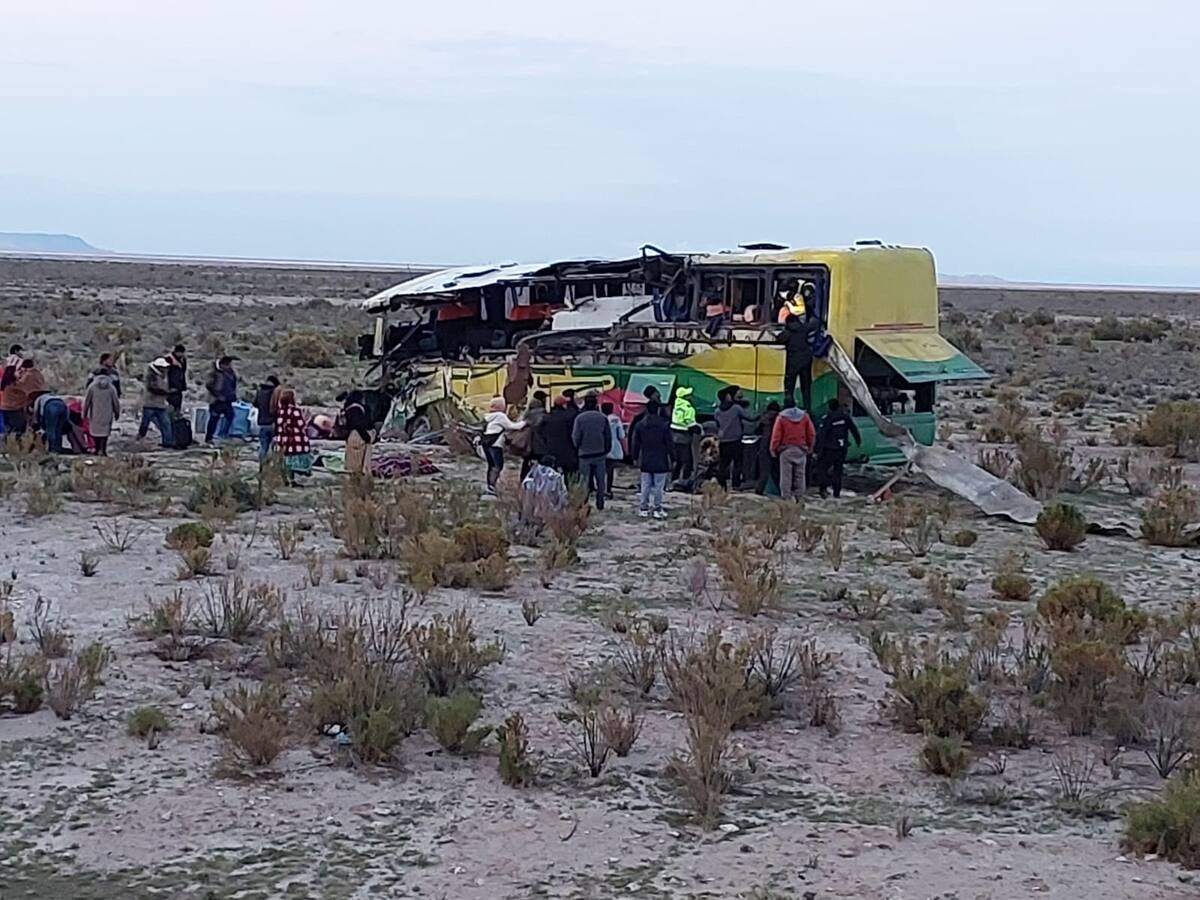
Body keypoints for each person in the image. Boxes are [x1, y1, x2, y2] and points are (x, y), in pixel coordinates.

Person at [629, 398, 672, 518]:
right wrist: (673, 457)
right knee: (659, 486)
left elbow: (636, 443)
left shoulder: (640, 425)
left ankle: (643, 508)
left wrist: (635, 457)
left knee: (645, 485)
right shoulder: (664, 425)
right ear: (658, 409)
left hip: (646, 458)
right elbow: (669, 443)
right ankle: (657, 508)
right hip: (660, 458)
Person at [571, 392, 612, 509]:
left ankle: (584, 504)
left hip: (584, 454)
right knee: (600, 481)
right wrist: (606, 450)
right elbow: (608, 436)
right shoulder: (603, 418)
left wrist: (578, 448)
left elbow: (575, 437)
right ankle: (600, 503)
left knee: (584, 481)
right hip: (600, 454)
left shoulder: (579, 418)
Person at [814, 398, 862, 499]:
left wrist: (817, 449)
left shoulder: (827, 418)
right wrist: (858, 441)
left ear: (829, 407)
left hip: (829, 449)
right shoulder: (844, 417)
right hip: (842, 449)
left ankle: (823, 489)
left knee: (821, 469)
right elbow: (854, 429)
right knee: (838, 471)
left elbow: (821, 434)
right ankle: (837, 493)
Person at [770, 399, 816, 501]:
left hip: (786, 450)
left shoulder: (781, 417)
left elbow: (776, 435)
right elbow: (811, 434)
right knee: (800, 475)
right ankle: (799, 497)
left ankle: (786, 498)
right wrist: (811, 447)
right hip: (801, 450)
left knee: (786, 476)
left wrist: (773, 449)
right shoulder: (804, 416)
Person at [714, 388, 757, 490]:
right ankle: (735, 484)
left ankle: (722, 484)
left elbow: (718, 425)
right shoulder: (736, 408)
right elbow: (750, 418)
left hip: (723, 441)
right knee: (737, 464)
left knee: (724, 464)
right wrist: (762, 415)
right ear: (728, 396)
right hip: (735, 441)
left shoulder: (717, 411)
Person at [482, 396, 527, 494]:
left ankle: (489, 485)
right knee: (498, 466)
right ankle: (491, 487)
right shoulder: (500, 416)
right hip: (496, 444)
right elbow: (512, 426)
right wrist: (526, 422)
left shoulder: (489, 417)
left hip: (487, 444)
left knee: (491, 465)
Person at [778, 311, 820, 411]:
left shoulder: (787, 332)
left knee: (789, 386)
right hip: (806, 361)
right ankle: (807, 408)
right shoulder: (803, 328)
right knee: (805, 387)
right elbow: (815, 324)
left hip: (793, 363)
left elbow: (778, 339)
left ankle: (788, 407)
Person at [272, 389, 314, 484]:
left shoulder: (281, 411)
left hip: (284, 438)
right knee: (296, 458)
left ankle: (288, 479)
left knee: (287, 459)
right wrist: (306, 419)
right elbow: (301, 425)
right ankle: (295, 479)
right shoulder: (295, 411)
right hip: (296, 439)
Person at [137, 357, 173, 447]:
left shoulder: (163, 376)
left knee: (166, 424)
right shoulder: (151, 376)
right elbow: (152, 388)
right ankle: (139, 440)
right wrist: (166, 392)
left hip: (160, 404)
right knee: (145, 424)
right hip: (150, 404)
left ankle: (167, 443)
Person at [83, 372, 120, 456]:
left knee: (95, 433)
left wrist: (84, 414)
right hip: (107, 414)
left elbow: (87, 402)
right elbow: (116, 402)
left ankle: (96, 449)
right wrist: (117, 413)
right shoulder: (111, 388)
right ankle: (103, 450)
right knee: (104, 434)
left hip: (95, 414)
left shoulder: (92, 387)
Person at [204, 356, 238, 444]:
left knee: (230, 417)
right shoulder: (215, 373)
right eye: (227, 364)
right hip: (217, 401)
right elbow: (209, 385)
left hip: (228, 400)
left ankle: (223, 435)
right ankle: (209, 438)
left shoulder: (231, 374)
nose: (229, 366)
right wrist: (217, 395)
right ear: (222, 365)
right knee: (213, 419)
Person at [543, 395, 579, 477]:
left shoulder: (547, 418)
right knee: (569, 474)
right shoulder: (568, 417)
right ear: (563, 405)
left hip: (551, 451)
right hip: (567, 451)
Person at [342, 390, 375, 477]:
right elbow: (357, 424)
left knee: (352, 464)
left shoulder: (348, 407)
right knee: (357, 466)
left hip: (352, 436)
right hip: (358, 436)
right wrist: (367, 437)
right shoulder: (357, 409)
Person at [669, 386, 699, 481]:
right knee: (687, 461)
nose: (691, 396)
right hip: (684, 436)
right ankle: (686, 480)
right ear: (685, 397)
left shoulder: (677, 406)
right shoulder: (688, 408)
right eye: (688, 395)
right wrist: (697, 429)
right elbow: (689, 422)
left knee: (677, 461)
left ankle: (674, 479)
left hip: (674, 435)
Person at [519, 391, 549, 481]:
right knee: (541, 464)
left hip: (527, 444)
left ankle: (523, 480)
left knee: (526, 463)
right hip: (539, 443)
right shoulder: (543, 415)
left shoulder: (527, 414)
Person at [754, 401, 781, 495]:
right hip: (776, 447)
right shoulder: (780, 419)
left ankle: (760, 489)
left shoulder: (764, 419)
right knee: (777, 471)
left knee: (764, 470)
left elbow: (756, 431)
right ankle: (779, 490)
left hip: (764, 446)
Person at [1, 348, 29, 435]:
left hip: (4, 408)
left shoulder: (5, 383)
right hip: (15, 410)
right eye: (19, 370)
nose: (21, 372)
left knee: (7, 431)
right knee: (18, 432)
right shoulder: (16, 386)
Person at [253, 375, 281, 461]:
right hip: (273, 423)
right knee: (275, 447)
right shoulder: (275, 393)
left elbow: (255, 404)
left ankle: (262, 466)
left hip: (262, 423)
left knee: (263, 446)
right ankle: (273, 467)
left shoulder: (260, 392)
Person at [602, 401, 625, 500]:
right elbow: (621, 435)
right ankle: (608, 489)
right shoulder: (616, 419)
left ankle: (601, 489)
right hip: (614, 447)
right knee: (610, 470)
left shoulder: (601, 419)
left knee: (601, 470)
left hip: (601, 447)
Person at [166, 344, 187, 414]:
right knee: (171, 408)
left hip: (179, 388)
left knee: (178, 407)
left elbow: (183, 371)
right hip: (171, 388)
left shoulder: (182, 360)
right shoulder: (169, 359)